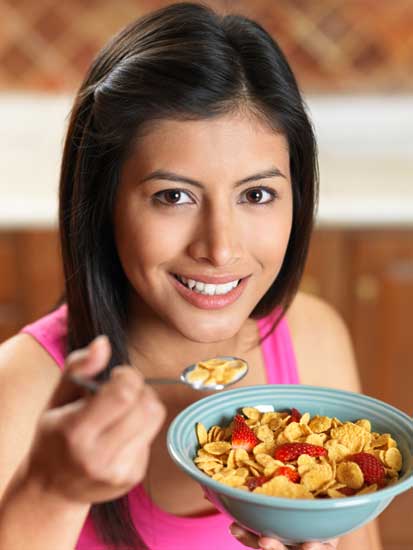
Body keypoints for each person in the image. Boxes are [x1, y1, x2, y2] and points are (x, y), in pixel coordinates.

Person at [0, 2, 383, 549]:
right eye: (173, 196)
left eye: (257, 194)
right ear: (103, 202)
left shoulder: (312, 336)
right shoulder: (20, 388)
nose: (220, 248)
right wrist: (53, 490)